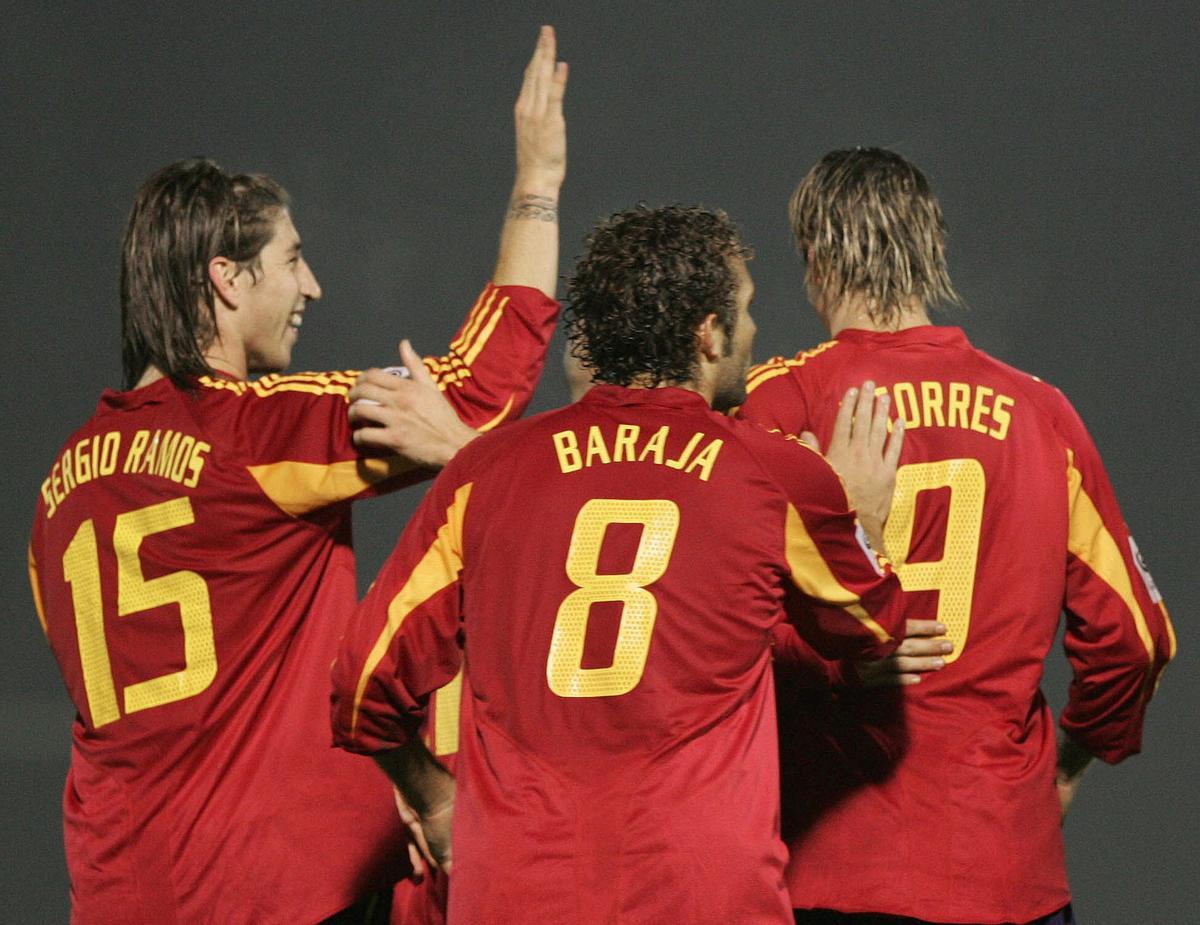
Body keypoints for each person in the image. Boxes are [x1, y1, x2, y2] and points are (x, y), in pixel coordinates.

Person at [26, 26, 568, 925]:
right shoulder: (255, 432)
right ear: (226, 280)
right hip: (263, 890)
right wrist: (537, 186)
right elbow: (473, 388)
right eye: (291, 260)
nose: (312, 285)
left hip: (117, 892)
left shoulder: (57, 491)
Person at [331, 204, 908, 925]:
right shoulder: (774, 473)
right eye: (747, 312)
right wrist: (866, 517)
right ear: (707, 332)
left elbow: (361, 685)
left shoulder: (483, 473)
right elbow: (871, 626)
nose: (755, 333)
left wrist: (434, 795)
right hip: (701, 899)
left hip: (517, 900)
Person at [737, 147, 1177, 925]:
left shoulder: (775, 405)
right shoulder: (1044, 416)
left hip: (828, 869)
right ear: (932, 250)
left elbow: (712, 630)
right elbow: (1135, 638)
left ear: (812, 258)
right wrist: (1072, 761)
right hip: (1005, 868)